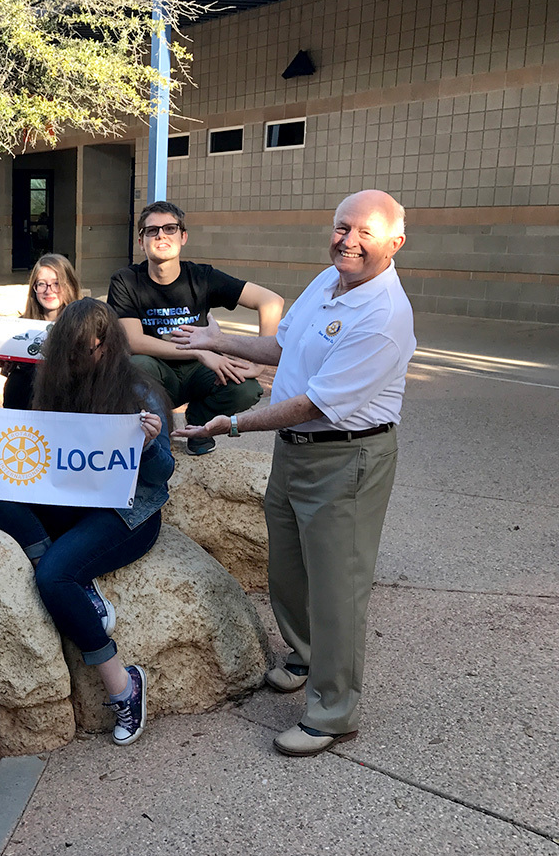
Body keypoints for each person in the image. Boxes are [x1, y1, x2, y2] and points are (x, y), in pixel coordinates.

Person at [171, 189, 414, 758]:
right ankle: (306, 655)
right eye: (341, 226)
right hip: (295, 453)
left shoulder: (383, 317)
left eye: (364, 233)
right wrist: (215, 337)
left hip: (346, 458)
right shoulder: (328, 282)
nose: (347, 240)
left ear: (394, 243)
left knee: (338, 588)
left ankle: (334, 712)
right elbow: (281, 344)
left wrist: (232, 424)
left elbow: (314, 404)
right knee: (289, 566)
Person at [0, 298, 174, 747]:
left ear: (108, 347)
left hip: (128, 511)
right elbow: (22, 442)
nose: (79, 358)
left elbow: (162, 474)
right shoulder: (51, 381)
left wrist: (147, 444)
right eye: (70, 349)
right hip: (71, 497)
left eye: (87, 349)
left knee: (52, 578)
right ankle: (73, 576)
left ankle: (123, 685)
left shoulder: (138, 392)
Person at [108, 200, 284, 456]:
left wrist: (259, 363)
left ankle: (199, 423)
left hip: (197, 372)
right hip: (156, 368)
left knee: (246, 388)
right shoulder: (126, 281)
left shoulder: (202, 278)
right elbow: (134, 342)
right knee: (136, 368)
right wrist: (199, 351)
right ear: (141, 240)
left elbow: (270, 301)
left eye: (170, 228)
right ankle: (159, 438)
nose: (161, 235)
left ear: (183, 236)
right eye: (152, 230)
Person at [0, 253, 80, 410]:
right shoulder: (21, 327)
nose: (49, 291)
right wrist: (9, 362)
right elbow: (8, 374)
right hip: (24, 406)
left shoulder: (83, 325)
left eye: (57, 283)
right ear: (34, 288)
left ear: (69, 285)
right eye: (41, 284)